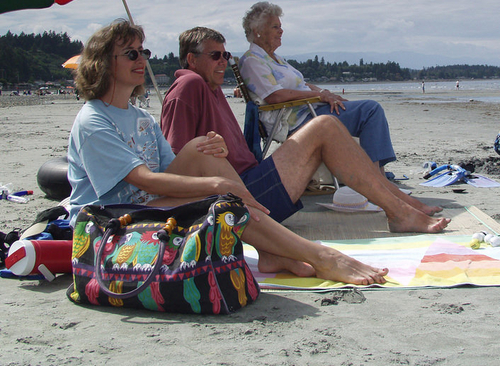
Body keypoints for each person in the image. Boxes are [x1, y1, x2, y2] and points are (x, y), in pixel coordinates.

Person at [66, 19, 390, 286]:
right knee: (222, 199)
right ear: (104, 64)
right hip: (111, 225)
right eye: (131, 54)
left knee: (204, 150)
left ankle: (273, 249)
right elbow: (148, 181)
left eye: (143, 52)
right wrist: (216, 185)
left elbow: (171, 171)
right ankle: (322, 256)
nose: (142, 60)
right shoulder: (94, 120)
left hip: (147, 208)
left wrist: (212, 156)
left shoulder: (139, 118)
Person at [160, 26, 450, 234]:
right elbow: (176, 162)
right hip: (240, 197)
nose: (223, 61)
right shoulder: (189, 85)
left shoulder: (210, 89)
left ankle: (400, 204)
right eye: (214, 56)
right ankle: (399, 210)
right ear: (191, 59)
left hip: (249, 183)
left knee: (329, 126)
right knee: (324, 126)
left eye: (226, 55)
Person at [238, 2, 396, 172]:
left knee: (364, 110)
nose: (281, 31)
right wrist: (319, 97)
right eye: (275, 26)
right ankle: (374, 177)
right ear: (257, 31)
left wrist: (323, 92)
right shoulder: (253, 60)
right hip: (298, 120)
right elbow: (274, 96)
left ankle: (372, 174)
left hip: (311, 109)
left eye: (280, 26)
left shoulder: (274, 58)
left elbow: (302, 84)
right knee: (370, 110)